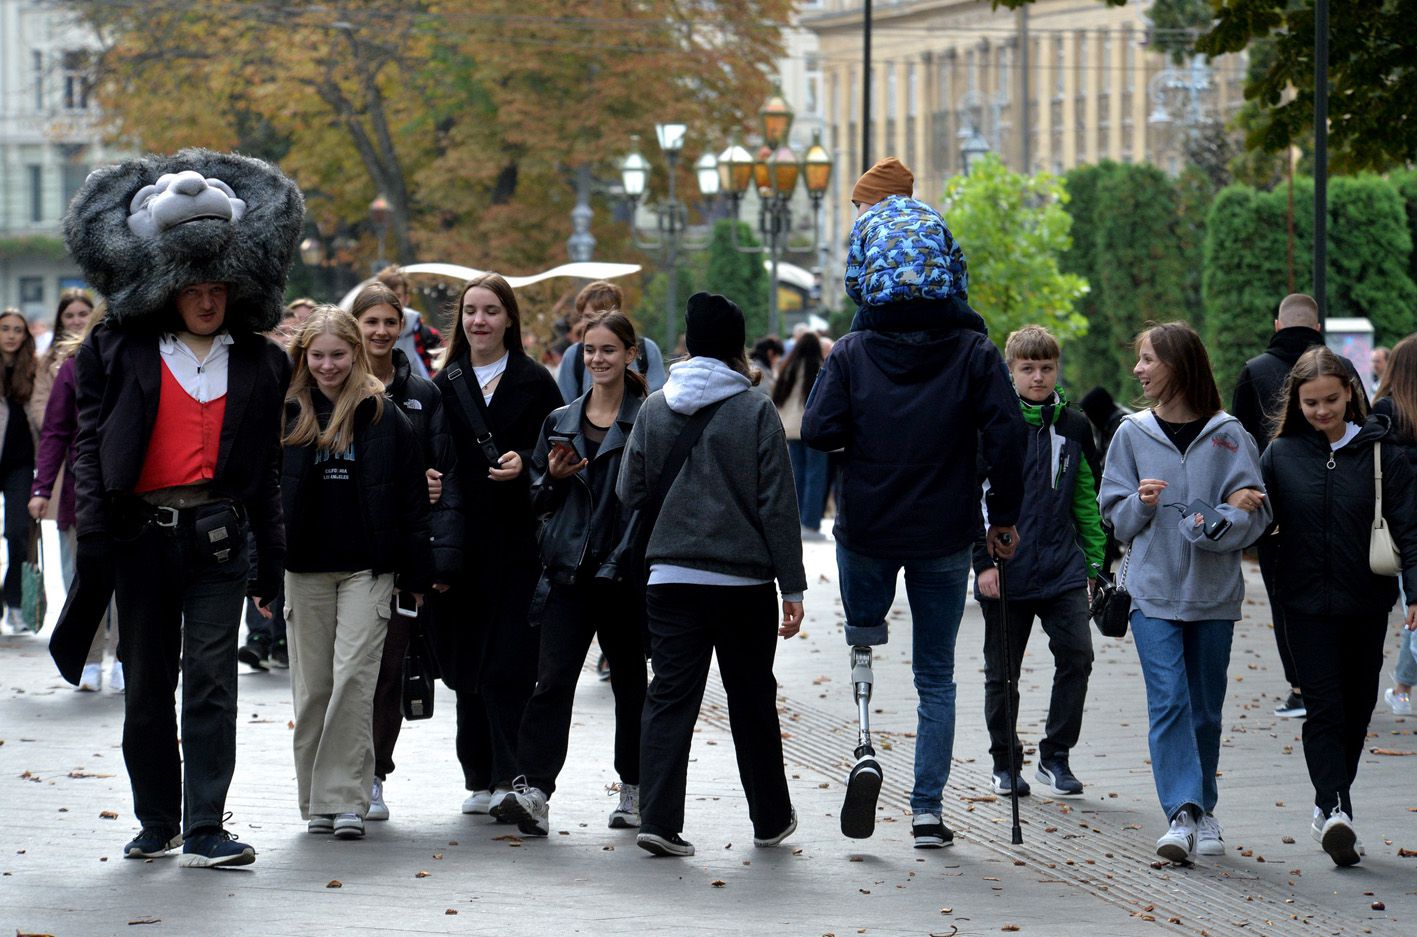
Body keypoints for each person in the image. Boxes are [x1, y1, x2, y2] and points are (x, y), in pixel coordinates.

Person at [59, 150, 303, 868]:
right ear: (169, 285)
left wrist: (271, 565)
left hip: (218, 540)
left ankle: (204, 826)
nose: (206, 298)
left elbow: (265, 471)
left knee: (211, 682)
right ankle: (156, 819)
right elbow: (88, 440)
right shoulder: (115, 347)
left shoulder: (260, 360)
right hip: (140, 537)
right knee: (146, 691)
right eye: (194, 286)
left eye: (218, 287)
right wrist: (98, 535)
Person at [802, 156, 1026, 849]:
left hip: (868, 524)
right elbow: (1009, 434)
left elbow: (815, 430)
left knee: (864, 641)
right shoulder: (972, 350)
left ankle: (866, 738)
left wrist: (862, 440)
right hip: (942, 529)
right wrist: (1004, 516)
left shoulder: (852, 351)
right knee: (937, 673)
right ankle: (926, 809)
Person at [618, 291, 805, 857]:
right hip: (744, 585)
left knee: (670, 696)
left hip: (671, 578)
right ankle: (770, 818)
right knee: (751, 698)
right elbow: (778, 503)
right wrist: (791, 585)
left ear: (688, 343)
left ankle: (658, 819)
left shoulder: (654, 407)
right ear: (735, 345)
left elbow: (630, 489)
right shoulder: (755, 408)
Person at [1099, 321, 1270, 865]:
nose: (1138, 369)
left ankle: (1205, 810)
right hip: (1151, 594)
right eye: (1139, 359)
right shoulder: (1131, 434)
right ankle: (1181, 812)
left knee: (1205, 711)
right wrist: (1141, 505)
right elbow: (1115, 517)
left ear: (1179, 364)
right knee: (1169, 700)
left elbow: (1258, 512)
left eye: (1149, 359)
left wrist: (1216, 521)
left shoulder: (1230, 434)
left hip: (1213, 594)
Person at [1260, 345, 1417, 865]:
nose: (1322, 411)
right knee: (1325, 709)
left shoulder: (1383, 454)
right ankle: (1333, 807)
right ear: (1297, 403)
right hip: (1303, 604)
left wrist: (1415, 594)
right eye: (1310, 403)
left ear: (1350, 392)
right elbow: (1260, 525)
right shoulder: (1280, 456)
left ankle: (1332, 804)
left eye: (1330, 399)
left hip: (1366, 603)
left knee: (1357, 710)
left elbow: (1411, 530)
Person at [280, 306, 432, 840]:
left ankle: (348, 797)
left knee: (355, 679)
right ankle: (317, 801)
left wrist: (416, 573)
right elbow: (261, 497)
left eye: (338, 354)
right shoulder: (287, 413)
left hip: (368, 568)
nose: (327, 365)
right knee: (314, 687)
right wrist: (260, 575)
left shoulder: (383, 416)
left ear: (355, 353)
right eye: (317, 355)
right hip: (304, 569)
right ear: (304, 356)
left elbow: (412, 500)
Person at [496, 311, 649, 837]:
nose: (598, 359)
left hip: (626, 576)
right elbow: (535, 501)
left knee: (632, 686)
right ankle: (535, 792)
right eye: (589, 350)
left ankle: (635, 788)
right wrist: (554, 481)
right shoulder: (560, 420)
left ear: (631, 354)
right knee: (553, 680)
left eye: (609, 349)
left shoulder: (648, 418)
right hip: (569, 572)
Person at [432, 273, 562, 817]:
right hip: (462, 544)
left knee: (511, 660)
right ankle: (478, 772)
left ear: (509, 318)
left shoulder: (536, 382)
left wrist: (528, 463)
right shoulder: (445, 382)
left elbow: (562, 451)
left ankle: (513, 772)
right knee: (468, 660)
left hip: (518, 544)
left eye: (490, 311)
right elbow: (428, 450)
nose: (479, 321)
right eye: (470, 311)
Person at [973, 325, 1103, 798]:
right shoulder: (991, 425)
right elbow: (971, 499)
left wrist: (1094, 565)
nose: (1038, 377)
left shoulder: (1073, 425)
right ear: (1010, 372)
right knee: (1002, 672)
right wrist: (981, 563)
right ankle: (1005, 761)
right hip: (1004, 569)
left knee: (1078, 657)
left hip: (1061, 568)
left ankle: (1056, 754)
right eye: (1027, 368)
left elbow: (1087, 497)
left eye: (1047, 367)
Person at [351, 282, 462, 822]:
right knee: (345, 674)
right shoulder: (332, 385)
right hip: (343, 551)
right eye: (369, 322)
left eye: (387, 322)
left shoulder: (423, 392)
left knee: (389, 670)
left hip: (402, 555)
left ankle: (375, 775)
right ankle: (340, 775)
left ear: (402, 327)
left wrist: (437, 557)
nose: (379, 331)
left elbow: (445, 473)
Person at [1232, 293, 1366, 720]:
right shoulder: (1343, 371)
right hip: (1345, 501)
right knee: (1347, 588)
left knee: (1285, 597)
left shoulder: (1254, 371)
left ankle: (1301, 686)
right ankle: (1343, 680)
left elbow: (1241, 444)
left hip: (1278, 504)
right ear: (1318, 329)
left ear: (1277, 326)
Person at [30, 304, 120, 689]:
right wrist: (41, 488)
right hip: (82, 490)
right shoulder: (71, 367)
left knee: (131, 583)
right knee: (89, 577)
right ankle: (89, 656)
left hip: (138, 491)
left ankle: (124, 658)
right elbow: (54, 432)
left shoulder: (145, 364)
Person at [1371, 334, 1417, 715]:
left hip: (1401, 528)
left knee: (1414, 609)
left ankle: (1402, 688)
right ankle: (1402, 688)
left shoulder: (1385, 411)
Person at [557, 281, 667, 403]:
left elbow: (656, 403)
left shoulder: (647, 349)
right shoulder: (573, 355)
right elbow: (564, 407)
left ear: (630, 354)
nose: (586, 323)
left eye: (608, 350)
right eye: (584, 316)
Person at [0, 308, 40, 634]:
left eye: (18, 330)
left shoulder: (33, 369)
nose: (11, 335)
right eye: (5, 329)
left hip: (21, 464)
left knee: (17, 533)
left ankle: (13, 601)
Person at [772, 331, 828, 540]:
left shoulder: (788, 366)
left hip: (791, 428)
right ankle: (810, 524)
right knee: (816, 475)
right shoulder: (820, 367)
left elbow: (778, 397)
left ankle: (795, 523)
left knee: (796, 475)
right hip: (813, 428)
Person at [376, 266, 440, 379]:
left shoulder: (429, 337)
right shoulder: (368, 338)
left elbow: (445, 372)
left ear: (406, 299)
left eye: (397, 296)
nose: (391, 301)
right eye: (386, 295)